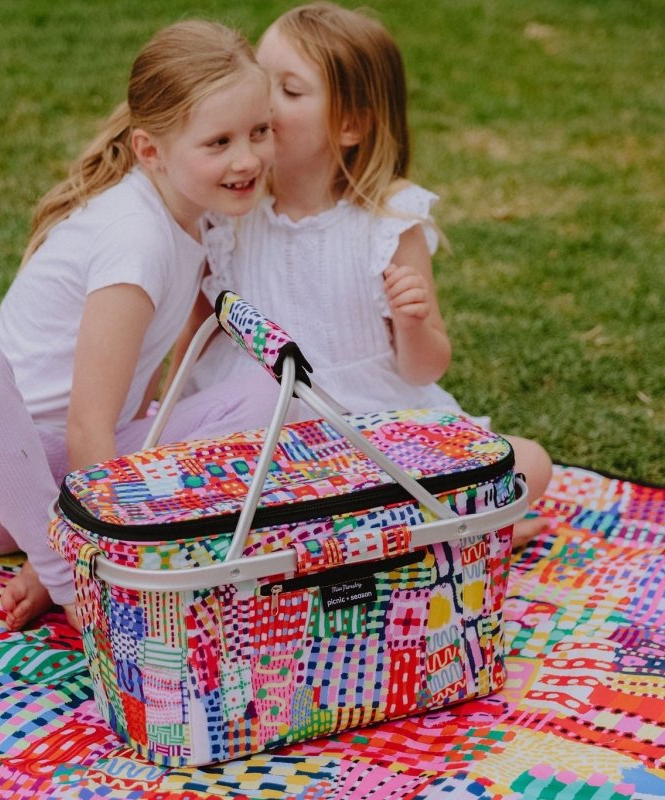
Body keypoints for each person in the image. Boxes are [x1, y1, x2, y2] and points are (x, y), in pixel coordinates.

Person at [0, 20, 275, 630]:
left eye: (259, 131)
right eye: (219, 142)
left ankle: (52, 543)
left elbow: (152, 386)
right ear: (150, 150)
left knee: (270, 393)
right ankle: (65, 571)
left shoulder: (195, 219)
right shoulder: (135, 238)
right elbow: (87, 426)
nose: (247, 158)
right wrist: (90, 554)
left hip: (71, 480)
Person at [185, 2, 552, 546]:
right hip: (265, 434)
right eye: (260, 79)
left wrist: (412, 321)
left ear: (350, 124)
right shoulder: (231, 213)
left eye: (288, 90)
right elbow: (194, 339)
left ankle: (367, 536)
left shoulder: (387, 221)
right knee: (241, 494)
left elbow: (424, 366)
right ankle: (432, 535)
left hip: (376, 427)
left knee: (530, 463)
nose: (262, 100)